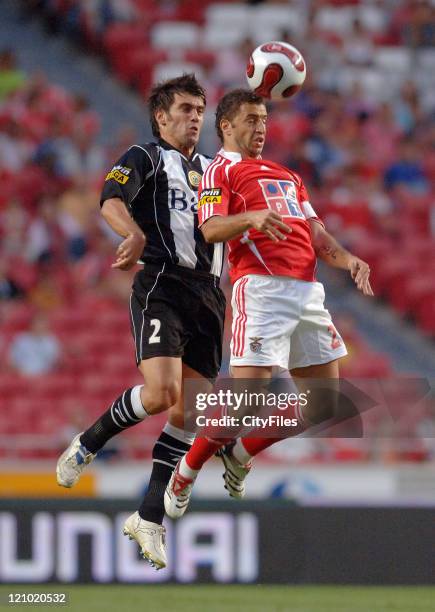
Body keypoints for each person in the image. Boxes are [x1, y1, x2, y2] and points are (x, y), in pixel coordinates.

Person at [164, 89, 373, 518]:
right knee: (247, 402)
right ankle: (185, 470)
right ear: (226, 125)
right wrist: (251, 218)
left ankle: (240, 454)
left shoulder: (287, 175)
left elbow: (315, 233)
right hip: (261, 290)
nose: (260, 127)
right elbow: (210, 229)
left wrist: (348, 258)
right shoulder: (218, 172)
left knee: (324, 404)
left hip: (308, 292)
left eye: (263, 120)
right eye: (251, 120)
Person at [56, 74, 225, 569]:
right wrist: (130, 235)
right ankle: (88, 441)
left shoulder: (214, 170)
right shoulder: (145, 156)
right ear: (161, 116)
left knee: (187, 412)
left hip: (210, 296)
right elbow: (109, 198)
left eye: (200, 108)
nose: (196, 116)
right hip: (163, 284)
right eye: (186, 108)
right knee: (159, 393)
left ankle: (148, 516)